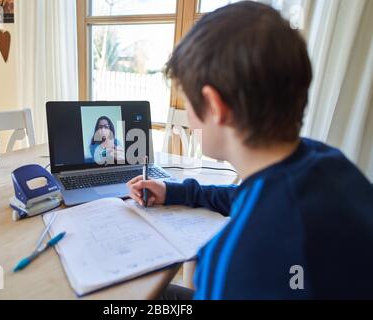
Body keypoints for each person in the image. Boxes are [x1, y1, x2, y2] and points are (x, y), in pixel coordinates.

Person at [127, 1, 373, 299]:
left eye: (188, 103)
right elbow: (242, 197)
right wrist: (173, 191)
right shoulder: (325, 161)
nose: (189, 118)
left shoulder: (234, 262)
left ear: (215, 107)